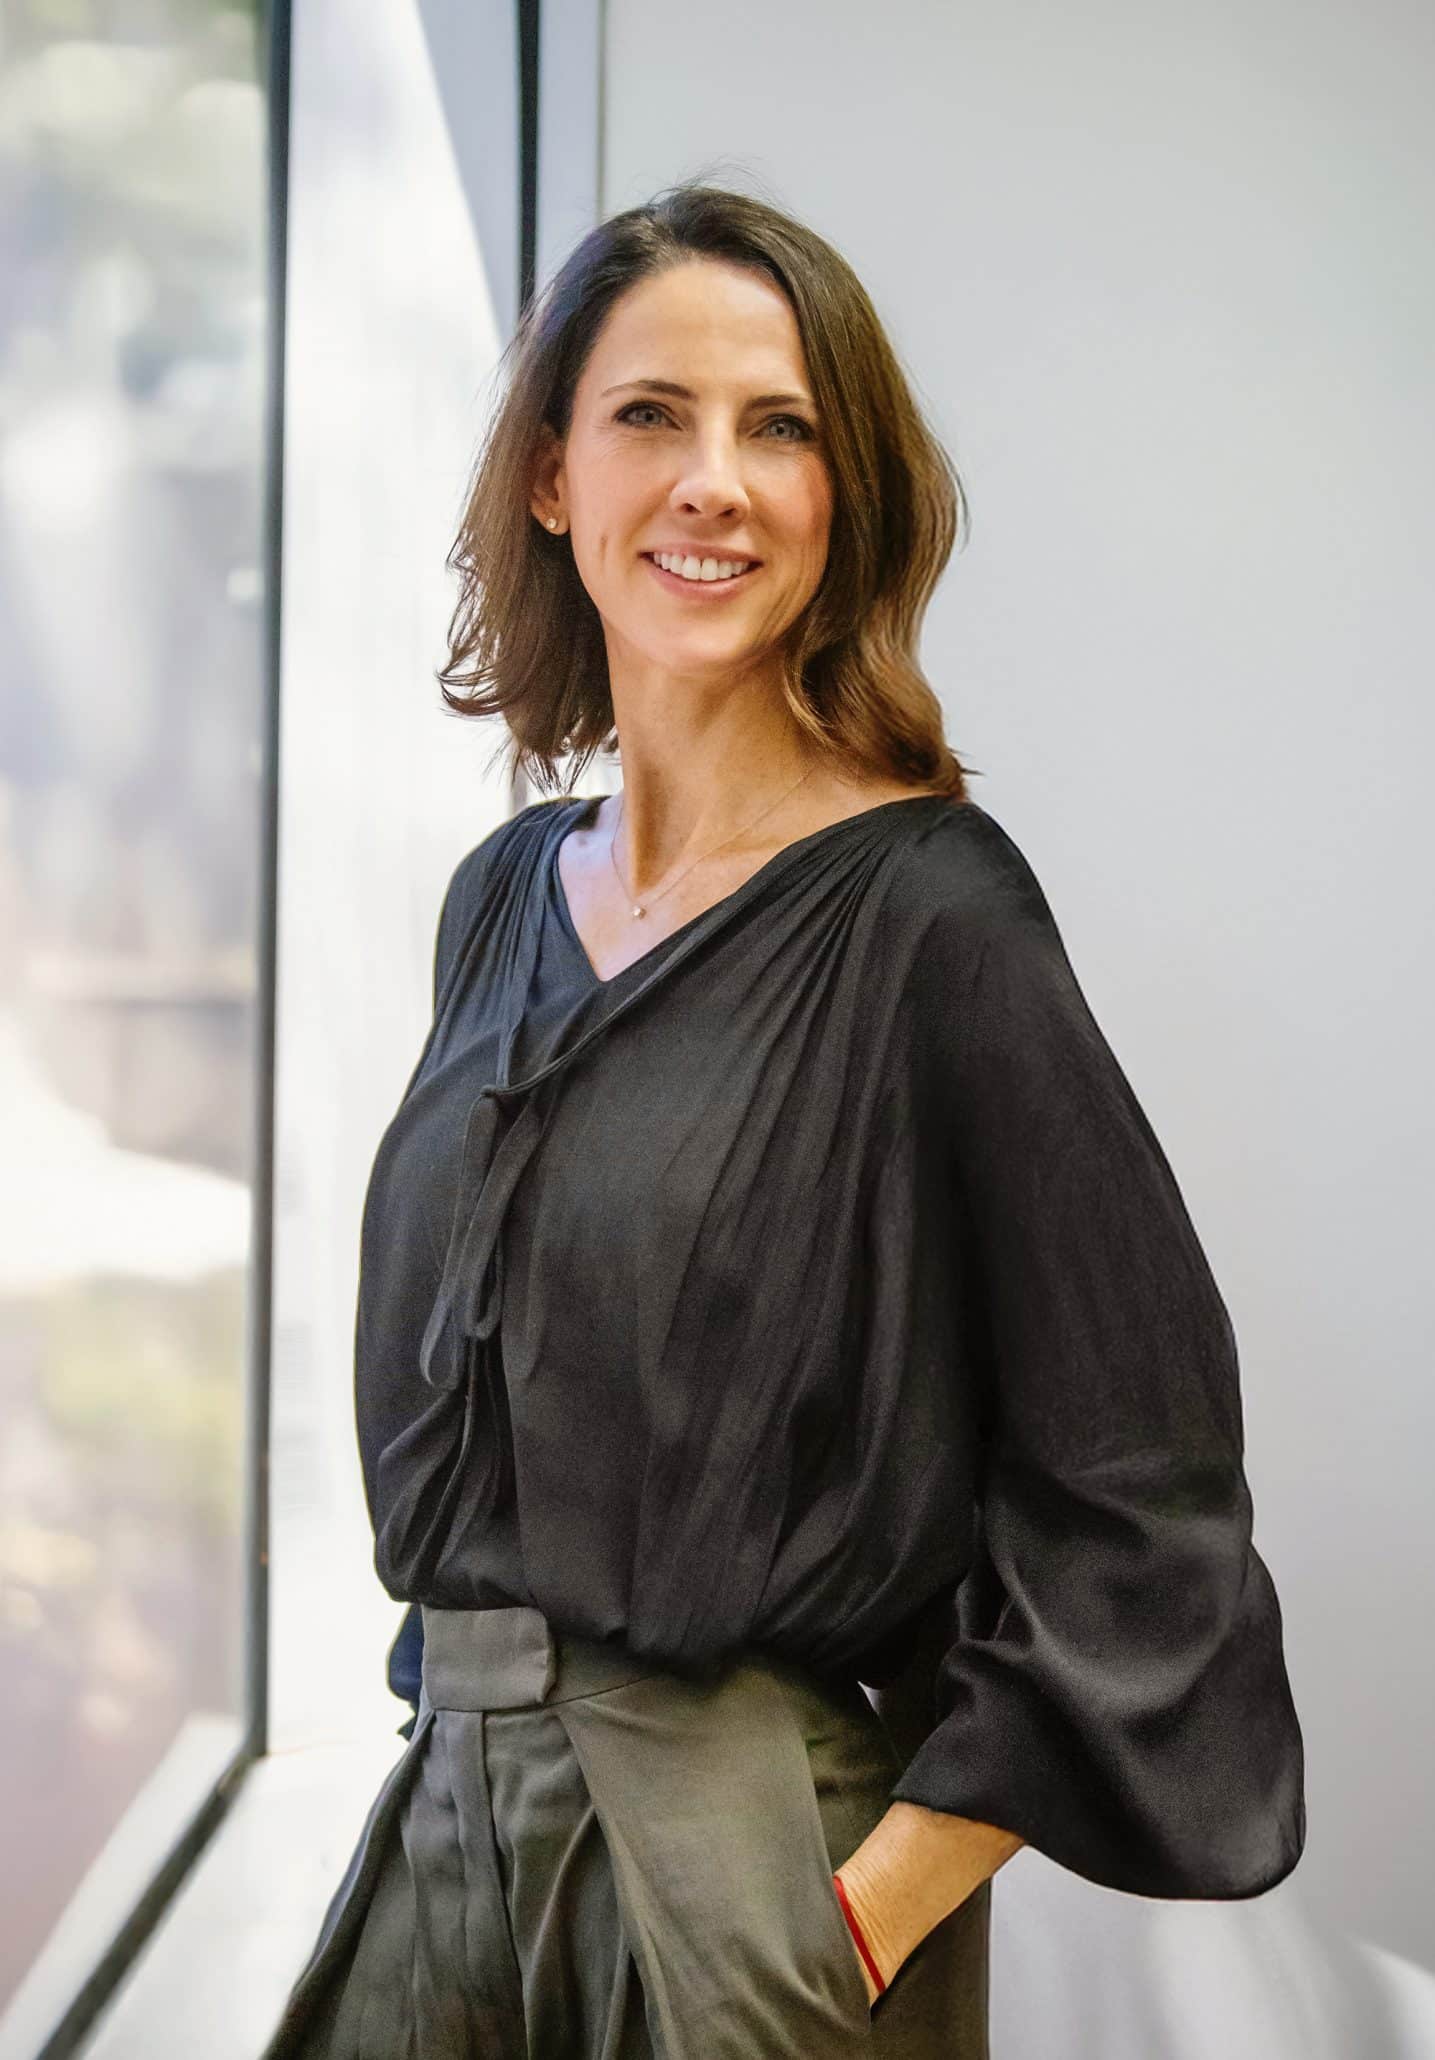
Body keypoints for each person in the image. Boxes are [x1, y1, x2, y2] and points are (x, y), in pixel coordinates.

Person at [260, 179, 1305, 2059]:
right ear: (554, 477)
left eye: (783, 428)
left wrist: (856, 1919)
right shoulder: (499, 898)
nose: (714, 481)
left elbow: (1146, 1504)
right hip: (445, 1825)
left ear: (846, 501)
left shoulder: (931, 918)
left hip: (740, 1871)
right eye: (651, 414)